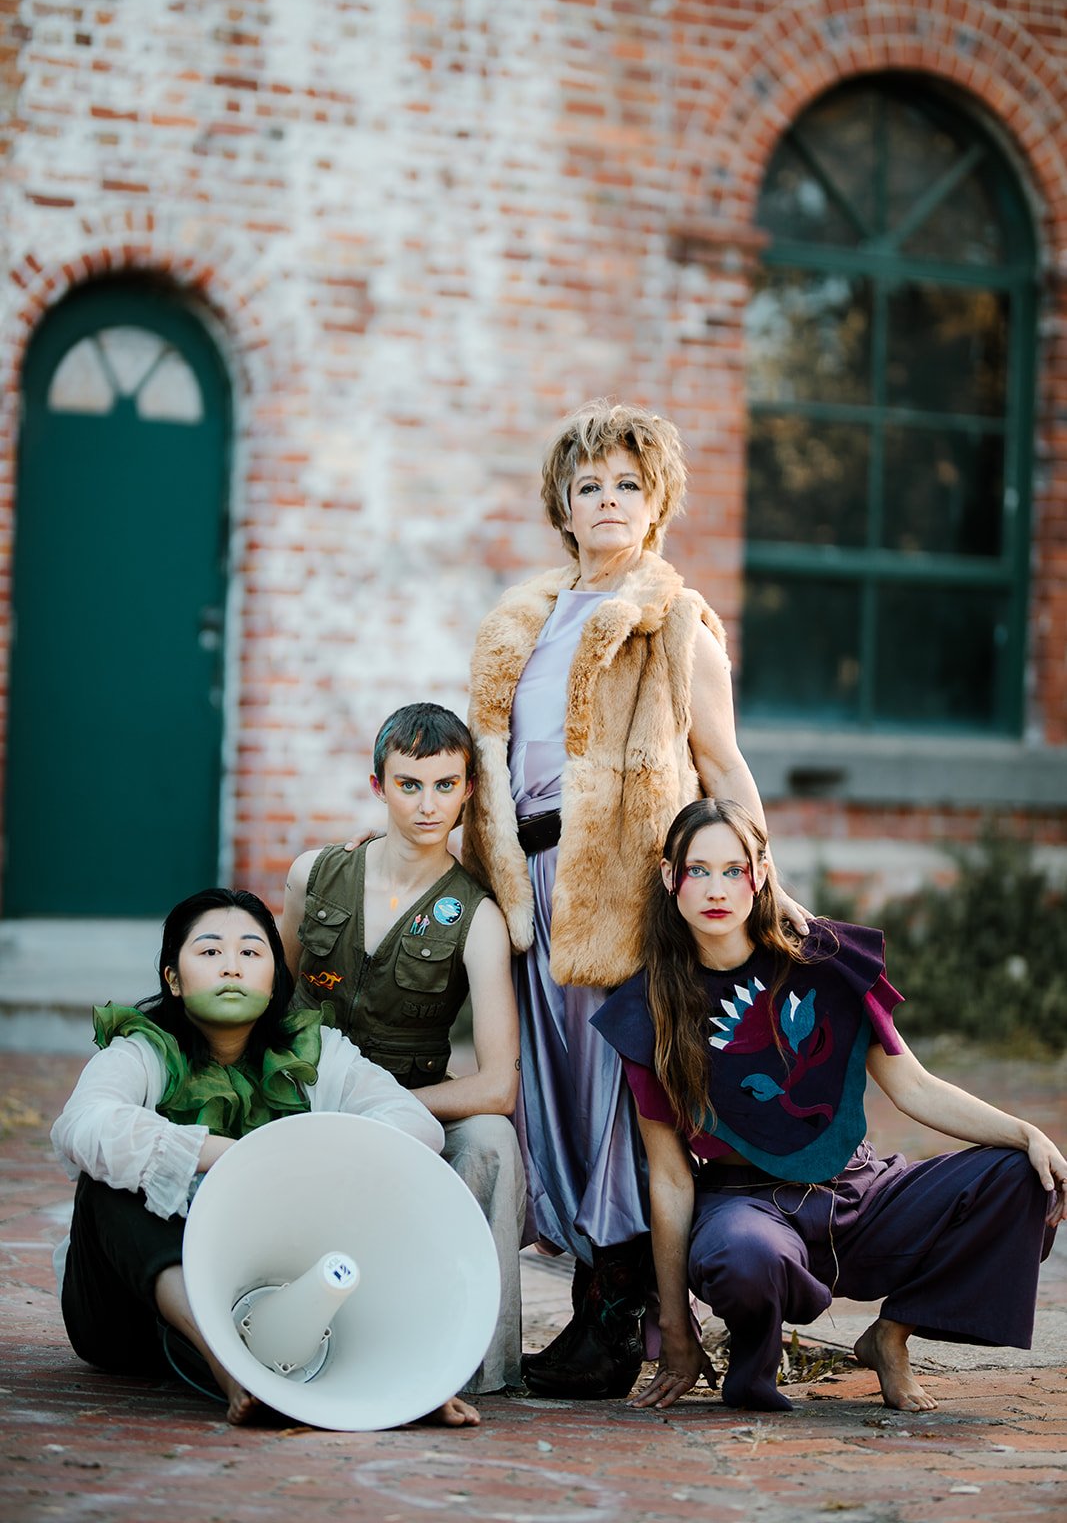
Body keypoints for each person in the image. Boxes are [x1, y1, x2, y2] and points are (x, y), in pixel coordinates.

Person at [463, 398, 809, 1399]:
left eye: (627, 484)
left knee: (614, 1101)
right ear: (561, 510)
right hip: (530, 884)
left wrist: (763, 888)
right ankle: (596, 1295)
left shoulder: (674, 622)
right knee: (551, 1105)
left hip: (614, 882)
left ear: (654, 505)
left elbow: (722, 766)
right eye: (588, 487)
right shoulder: (525, 621)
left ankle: (617, 1317)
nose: (607, 500)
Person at [592, 798, 1066, 1414]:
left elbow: (913, 1087)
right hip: (745, 1207)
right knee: (744, 1255)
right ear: (668, 877)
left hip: (858, 1190)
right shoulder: (648, 1010)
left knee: (1022, 1175)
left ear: (762, 874)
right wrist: (677, 1331)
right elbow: (673, 1179)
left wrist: (1026, 1132)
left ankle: (890, 1337)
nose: (717, 889)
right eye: (698, 870)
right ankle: (754, 1361)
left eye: (735, 869)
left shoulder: (824, 963)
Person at [51, 887, 480, 1428]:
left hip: (266, 1313)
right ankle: (227, 1366)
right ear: (174, 980)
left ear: (275, 975)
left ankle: (406, 1378)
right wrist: (230, 1156)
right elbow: (83, 1125)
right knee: (106, 1186)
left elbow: (412, 1127)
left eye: (251, 953)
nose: (232, 966)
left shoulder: (317, 1055)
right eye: (209, 952)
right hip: (126, 1323)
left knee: (385, 1185)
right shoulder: (143, 1050)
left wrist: (304, 1162)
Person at [280, 702, 525, 1396]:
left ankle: (474, 1366)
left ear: (469, 789)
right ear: (377, 786)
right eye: (409, 785)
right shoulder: (313, 876)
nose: (427, 805)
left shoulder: (476, 918)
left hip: (407, 1105)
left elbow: (496, 1086)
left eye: (445, 785)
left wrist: (388, 1109)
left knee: (492, 1143)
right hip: (298, 1089)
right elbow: (272, 1002)